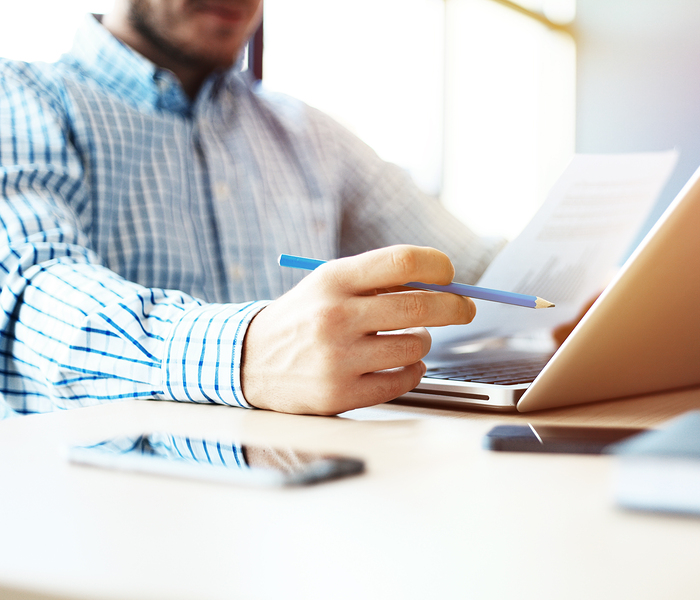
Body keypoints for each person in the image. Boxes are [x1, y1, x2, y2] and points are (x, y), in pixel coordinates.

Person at [0, 0, 501, 419]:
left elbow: (475, 266)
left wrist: (573, 283)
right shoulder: (23, 98)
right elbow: (28, 296)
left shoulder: (309, 134)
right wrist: (239, 353)